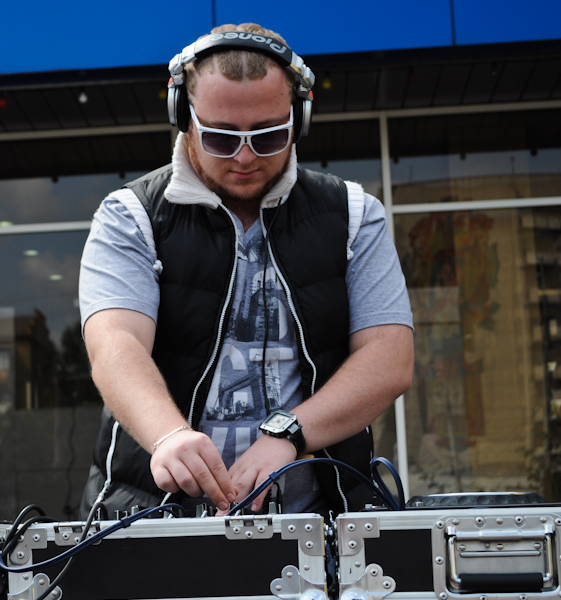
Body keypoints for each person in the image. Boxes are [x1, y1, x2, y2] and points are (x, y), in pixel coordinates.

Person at [79, 23, 414, 518]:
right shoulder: (129, 217)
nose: (244, 156)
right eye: (220, 137)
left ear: (299, 118)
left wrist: (289, 433)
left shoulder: (355, 215)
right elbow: (115, 345)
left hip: (323, 523)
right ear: (183, 117)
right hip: (151, 519)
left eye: (268, 135)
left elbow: (390, 357)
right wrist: (168, 435)